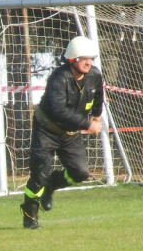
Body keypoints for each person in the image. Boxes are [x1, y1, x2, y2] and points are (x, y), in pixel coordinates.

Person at [21, 35, 105, 229]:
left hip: (70, 134)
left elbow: (98, 97)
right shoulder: (58, 78)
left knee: (80, 172)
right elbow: (59, 111)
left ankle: (53, 184)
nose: (88, 62)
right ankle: (30, 216)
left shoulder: (95, 75)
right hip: (46, 132)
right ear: (72, 59)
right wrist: (87, 124)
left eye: (90, 58)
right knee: (38, 176)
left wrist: (96, 117)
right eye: (84, 58)